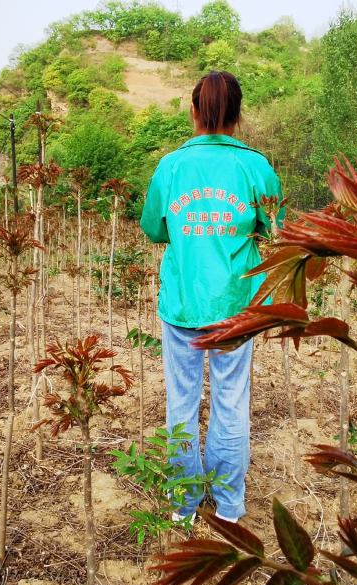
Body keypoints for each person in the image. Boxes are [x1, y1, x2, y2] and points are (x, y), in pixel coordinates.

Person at [140, 71, 282, 523]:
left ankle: (183, 504)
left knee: (181, 402)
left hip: (182, 303)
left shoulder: (172, 166)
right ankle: (228, 505)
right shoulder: (256, 167)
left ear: (194, 111)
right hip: (236, 306)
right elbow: (271, 226)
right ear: (238, 115)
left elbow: (153, 227)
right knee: (231, 399)